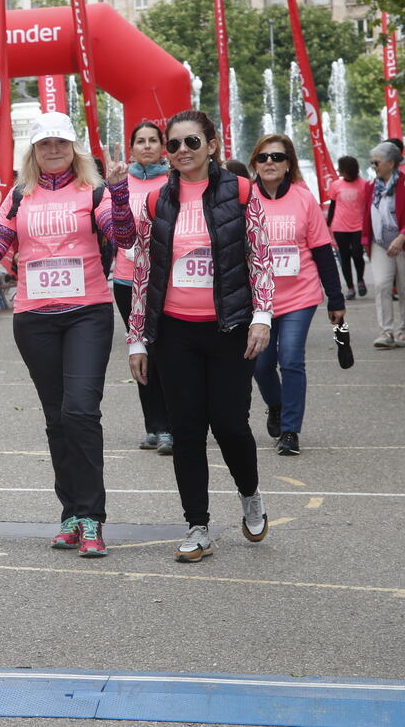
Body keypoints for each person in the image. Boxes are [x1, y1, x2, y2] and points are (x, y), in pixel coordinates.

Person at [0, 111, 134, 558]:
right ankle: (71, 514)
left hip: (87, 315)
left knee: (81, 411)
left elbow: (125, 236)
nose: (53, 150)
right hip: (34, 318)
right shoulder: (19, 197)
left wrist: (118, 191)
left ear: (73, 148)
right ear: (33, 152)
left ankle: (93, 518)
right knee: (57, 417)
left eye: (61, 142)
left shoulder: (92, 190)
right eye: (44, 144)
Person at [127, 110, 274, 563]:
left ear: (212, 144)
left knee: (229, 423)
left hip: (230, 328)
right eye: (174, 145)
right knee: (187, 429)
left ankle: (250, 494)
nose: (182, 152)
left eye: (192, 142)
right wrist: (137, 338)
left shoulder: (242, 191)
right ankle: (198, 525)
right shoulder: (155, 201)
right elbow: (143, 271)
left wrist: (262, 315)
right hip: (174, 333)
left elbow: (260, 256)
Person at [247, 135, 346, 456]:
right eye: (263, 158)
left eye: (277, 157)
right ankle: (276, 405)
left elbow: (321, 252)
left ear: (289, 163)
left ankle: (290, 430)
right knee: (261, 366)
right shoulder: (244, 199)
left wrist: (336, 299)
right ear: (255, 164)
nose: (270, 163)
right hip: (259, 300)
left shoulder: (304, 199)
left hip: (299, 297)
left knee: (290, 359)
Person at [111, 122, 173, 454]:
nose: (147, 146)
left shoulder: (173, 181)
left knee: (164, 351)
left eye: (153, 141)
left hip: (164, 281)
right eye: (141, 141)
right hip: (126, 281)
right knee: (141, 352)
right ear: (132, 147)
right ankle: (155, 426)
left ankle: (172, 426)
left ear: (162, 147)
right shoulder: (122, 183)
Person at [364, 141, 405, 348]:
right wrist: (364, 240)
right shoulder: (371, 187)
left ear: (390, 163)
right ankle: (386, 331)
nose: (373, 165)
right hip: (380, 243)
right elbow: (365, 216)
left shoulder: (404, 183)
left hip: (402, 242)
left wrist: (402, 236)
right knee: (381, 285)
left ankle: (403, 332)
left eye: (377, 162)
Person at [327, 156, 370, 301]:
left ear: (348, 170)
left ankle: (360, 280)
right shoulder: (336, 185)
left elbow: (369, 208)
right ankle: (350, 287)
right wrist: (327, 225)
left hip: (358, 226)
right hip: (340, 227)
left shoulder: (364, 184)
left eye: (341, 168)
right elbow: (332, 206)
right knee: (344, 257)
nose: (339, 171)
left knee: (358, 254)